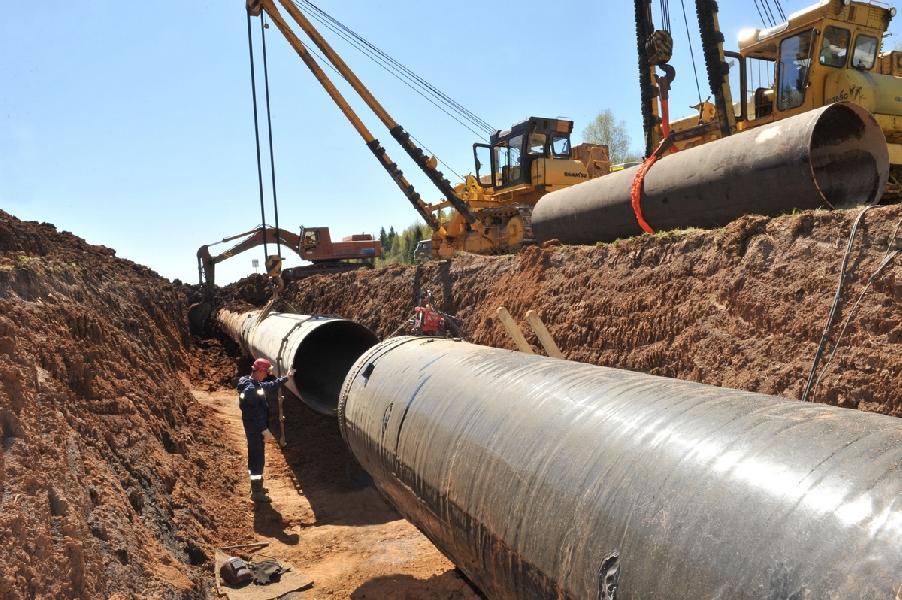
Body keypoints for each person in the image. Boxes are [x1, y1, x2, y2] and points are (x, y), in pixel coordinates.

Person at [237, 358, 293, 503]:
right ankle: (256, 492)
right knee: (257, 459)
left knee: (256, 457)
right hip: (255, 429)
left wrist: (286, 378)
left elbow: (269, 386)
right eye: (266, 372)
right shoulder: (251, 390)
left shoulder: (251, 382)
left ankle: (257, 486)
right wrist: (264, 430)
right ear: (260, 371)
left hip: (253, 428)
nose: (267, 375)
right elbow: (255, 414)